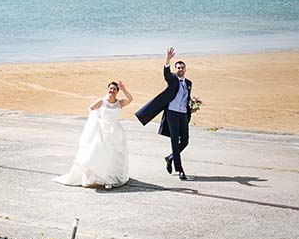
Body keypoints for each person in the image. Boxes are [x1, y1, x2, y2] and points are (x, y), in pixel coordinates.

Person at [54, 80, 133, 188]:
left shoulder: (119, 103)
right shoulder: (102, 101)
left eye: (114, 89)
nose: (112, 90)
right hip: (101, 131)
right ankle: (101, 179)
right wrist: (96, 119)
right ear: (107, 89)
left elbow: (130, 99)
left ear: (117, 91)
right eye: (110, 88)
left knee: (112, 156)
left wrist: (124, 88)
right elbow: (90, 108)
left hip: (115, 132)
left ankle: (110, 179)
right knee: (100, 154)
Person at [134, 47, 198, 181]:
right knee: (174, 140)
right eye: (178, 67)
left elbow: (187, 98)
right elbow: (166, 73)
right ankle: (180, 169)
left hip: (183, 114)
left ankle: (169, 158)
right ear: (176, 69)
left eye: (182, 67)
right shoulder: (172, 79)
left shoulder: (189, 83)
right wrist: (168, 59)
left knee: (185, 141)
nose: (180, 69)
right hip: (172, 113)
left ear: (185, 69)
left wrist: (193, 106)